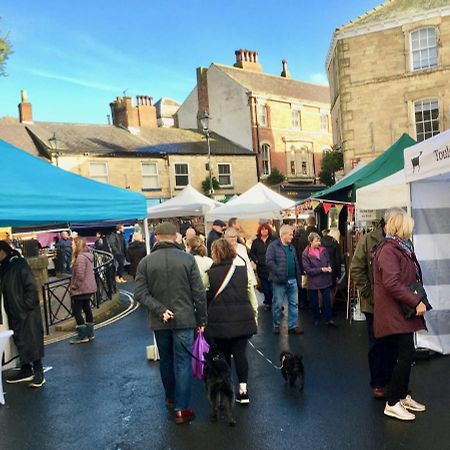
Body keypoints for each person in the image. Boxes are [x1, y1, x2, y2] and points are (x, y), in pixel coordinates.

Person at [134, 222, 206, 424]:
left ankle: (170, 399)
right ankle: (182, 410)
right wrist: (202, 320)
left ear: (156, 237)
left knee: (165, 360)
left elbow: (140, 293)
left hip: (160, 321)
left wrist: (159, 309)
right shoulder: (188, 259)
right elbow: (198, 293)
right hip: (185, 320)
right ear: (175, 237)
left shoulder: (145, 263)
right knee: (183, 362)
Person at [372, 209, 427, 421]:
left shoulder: (399, 247)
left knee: (406, 355)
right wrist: (416, 301)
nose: (410, 230)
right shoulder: (389, 249)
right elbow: (392, 283)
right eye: (408, 226)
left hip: (401, 309)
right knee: (405, 356)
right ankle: (393, 402)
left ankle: (402, 396)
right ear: (400, 226)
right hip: (396, 310)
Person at [350, 211, 399, 399]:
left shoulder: (401, 239)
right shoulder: (369, 239)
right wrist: (370, 295)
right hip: (375, 305)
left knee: (393, 345)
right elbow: (356, 268)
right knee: (377, 344)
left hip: (396, 304)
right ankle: (378, 383)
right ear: (388, 222)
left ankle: (393, 381)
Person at [205, 238, 257, 404]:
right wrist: (255, 314)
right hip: (242, 318)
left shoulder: (209, 274)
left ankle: (227, 390)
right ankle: (243, 391)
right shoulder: (242, 271)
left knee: (224, 355)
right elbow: (251, 293)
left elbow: (204, 296)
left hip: (219, 321)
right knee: (241, 353)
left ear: (215, 253)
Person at [0, 241, 45, 388]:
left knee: (32, 341)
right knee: (20, 341)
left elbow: (31, 287)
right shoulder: (5, 267)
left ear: (3, 251)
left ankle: (38, 373)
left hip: (26, 312)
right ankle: (26, 370)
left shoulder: (18, 264)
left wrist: (24, 306)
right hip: (13, 312)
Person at [266, 225, 303, 335]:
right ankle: (276, 325)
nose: (292, 236)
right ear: (283, 234)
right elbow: (269, 262)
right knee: (277, 304)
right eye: (290, 234)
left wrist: (298, 276)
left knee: (294, 304)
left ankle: (292, 326)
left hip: (293, 280)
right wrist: (279, 272)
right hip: (279, 281)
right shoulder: (273, 246)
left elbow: (296, 262)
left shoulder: (292, 247)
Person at [302, 232, 336, 327]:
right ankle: (316, 318)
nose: (319, 243)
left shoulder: (323, 250)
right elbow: (308, 270)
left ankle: (328, 319)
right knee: (314, 301)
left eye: (319, 240)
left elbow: (329, 261)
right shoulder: (305, 254)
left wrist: (329, 266)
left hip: (325, 279)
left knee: (327, 300)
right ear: (311, 241)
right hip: (313, 281)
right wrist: (321, 269)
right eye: (316, 241)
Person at [69, 237, 97, 344]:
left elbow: (80, 275)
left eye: (73, 244)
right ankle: (90, 333)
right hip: (88, 287)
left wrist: (74, 286)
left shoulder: (80, 258)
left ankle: (82, 336)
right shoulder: (87, 256)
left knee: (77, 311)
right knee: (87, 308)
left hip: (81, 289)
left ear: (77, 245)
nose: (71, 246)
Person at [250, 223, 277, 312]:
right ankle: (268, 303)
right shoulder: (256, 242)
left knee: (274, 287)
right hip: (261, 268)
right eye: (262, 229)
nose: (264, 231)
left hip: (272, 268)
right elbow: (252, 253)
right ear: (259, 231)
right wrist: (256, 261)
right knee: (265, 287)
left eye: (266, 229)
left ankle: (276, 304)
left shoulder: (274, 240)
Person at [320, 228, 342, 305]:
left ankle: (320, 308)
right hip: (332, 269)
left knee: (321, 289)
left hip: (321, 267)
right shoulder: (336, 244)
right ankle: (330, 308)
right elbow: (338, 260)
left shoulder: (320, 241)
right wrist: (338, 275)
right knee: (331, 289)